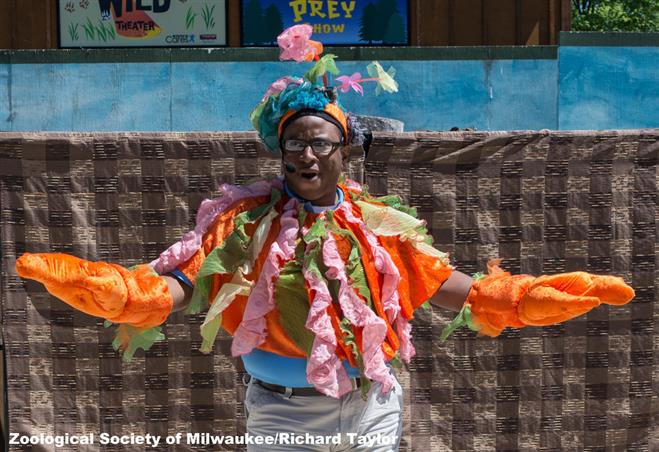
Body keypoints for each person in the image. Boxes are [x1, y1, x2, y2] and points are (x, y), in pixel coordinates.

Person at [15, 25, 634, 451]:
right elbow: (177, 288)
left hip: (371, 404)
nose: (306, 153)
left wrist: (534, 299)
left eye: (320, 142)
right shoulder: (245, 223)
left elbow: (462, 293)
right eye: (294, 142)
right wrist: (119, 294)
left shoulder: (381, 225)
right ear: (279, 150)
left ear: (345, 151)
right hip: (282, 410)